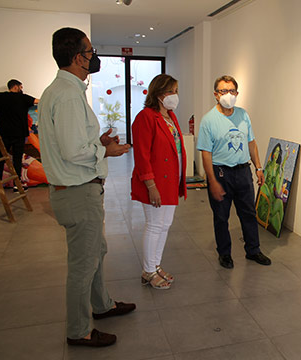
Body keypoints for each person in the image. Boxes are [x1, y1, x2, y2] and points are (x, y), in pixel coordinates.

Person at [38, 27, 135, 347]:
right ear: (79, 57)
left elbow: (75, 143)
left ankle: (102, 305)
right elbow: (72, 151)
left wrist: (98, 142)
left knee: (96, 252)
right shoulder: (66, 94)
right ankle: (78, 329)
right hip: (77, 191)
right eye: (91, 52)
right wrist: (105, 150)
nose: (94, 57)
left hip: (80, 189)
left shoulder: (67, 91)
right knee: (83, 263)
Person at [197, 75, 271, 269]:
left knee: (248, 213)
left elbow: (251, 142)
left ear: (237, 93)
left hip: (243, 172)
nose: (228, 95)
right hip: (221, 173)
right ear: (215, 94)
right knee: (221, 216)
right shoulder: (208, 120)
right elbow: (206, 153)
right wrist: (211, 180)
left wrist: (258, 167)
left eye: (232, 91)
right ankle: (224, 253)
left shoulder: (243, 115)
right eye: (223, 91)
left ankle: (253, 250)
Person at [131, 74, 187, 290]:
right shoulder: (146, 117)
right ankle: (148, 271)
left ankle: (155, 265)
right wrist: (151, 186)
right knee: (154, 226)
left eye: (176, 91)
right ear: (158, 94)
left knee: (164, 226)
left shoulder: (170, 116)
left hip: (171, 181)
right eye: (171, 91)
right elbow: (142, 156)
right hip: (155, 183)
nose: (175, 96)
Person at [0, 79, 39, 191]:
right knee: (17, 159)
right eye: (21, 87)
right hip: (19, 134)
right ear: (16, 87)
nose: (21, 89)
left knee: (0, 159)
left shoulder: (0, 97)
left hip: (4, 134)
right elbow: (38, 101)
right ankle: (17, 185)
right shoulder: (23, 98)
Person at [256, 142, 289, 236]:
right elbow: (263, 182)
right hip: (265, 199)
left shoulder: (278, 168)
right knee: (276, 217)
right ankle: (271, 222)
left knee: (280, 205)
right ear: (273, 153)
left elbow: (278, 189)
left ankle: (278, 233)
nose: (276, 154)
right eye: (276, 151)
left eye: (278, 152)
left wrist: (282, 174)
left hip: (272, 199)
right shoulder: (269, 164)